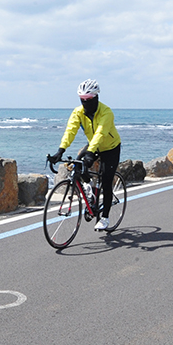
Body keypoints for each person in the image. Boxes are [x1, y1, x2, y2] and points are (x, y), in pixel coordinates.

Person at [48, 79, 121, 232]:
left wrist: (90, 153)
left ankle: (105, 217)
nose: (85, 103)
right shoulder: (78, 112)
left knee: (106, 182)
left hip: (110, 147)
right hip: (93, 145)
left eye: (88, 100)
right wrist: (61, 150)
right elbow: (70, 131)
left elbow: (100, 133)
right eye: (82, 100)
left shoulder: (106, 112)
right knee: (77, 164)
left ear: (96, 98)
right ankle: (89, 190)